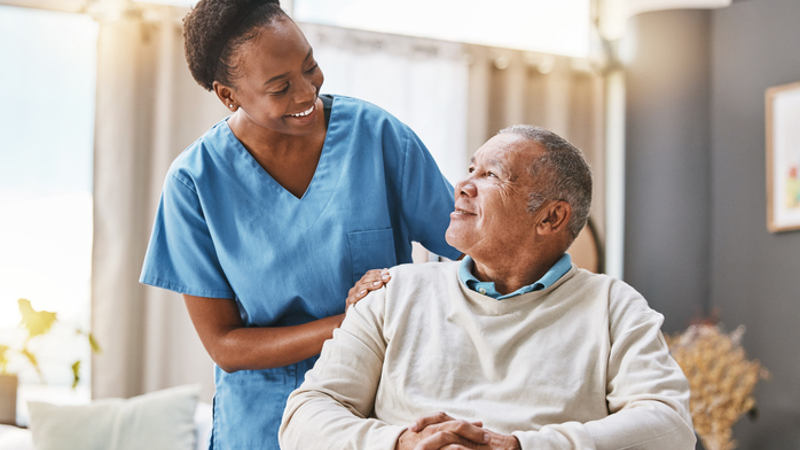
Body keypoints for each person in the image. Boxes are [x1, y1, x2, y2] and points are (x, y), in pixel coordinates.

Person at [139, 0, 461, 448]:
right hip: (263, 425)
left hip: (378, 416)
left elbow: (472, 247)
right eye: (280, 87)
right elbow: (225, 346)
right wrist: (355, 319)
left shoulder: (376, 136)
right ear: (228, 95)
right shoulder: (194, 183)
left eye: (310, 67)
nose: (307, 92)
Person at [279, 125, 697, 450]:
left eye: (492, 175)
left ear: (551, 218)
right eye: (471, 169)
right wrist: (401, 442)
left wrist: (518, 446)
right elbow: (303, 416)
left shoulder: (613, 306)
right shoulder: (394, 292)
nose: (463, 185)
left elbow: (670, 427)